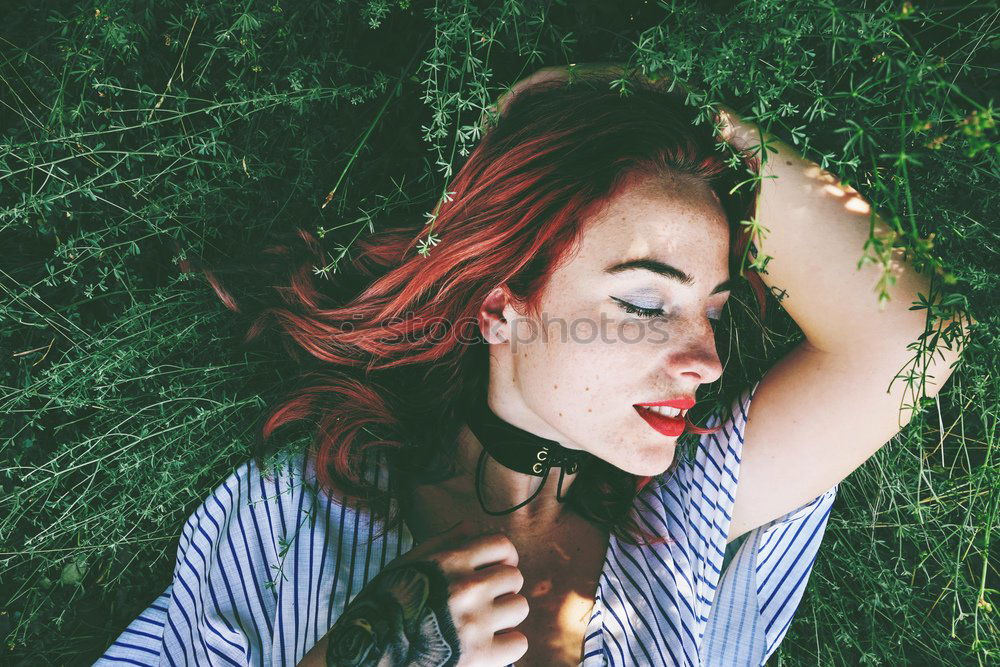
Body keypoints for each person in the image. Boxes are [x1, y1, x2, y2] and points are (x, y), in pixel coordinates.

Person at [95, 64, 969, 667]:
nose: (704, 357)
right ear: (502, 308)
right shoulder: (298, 518)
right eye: (643, 301)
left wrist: (647, 95)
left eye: (709, 308)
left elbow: (907, 334)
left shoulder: (683, 520)